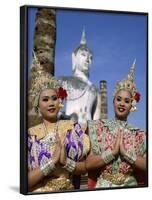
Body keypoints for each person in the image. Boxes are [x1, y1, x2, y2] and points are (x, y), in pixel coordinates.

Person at [85, 60, 147, 188]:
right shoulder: (98, 128)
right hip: (104, 186)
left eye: (127, 101)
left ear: (132, 106)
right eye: (118, 99)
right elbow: (88, 164)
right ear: (113, 101)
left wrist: (125, 153)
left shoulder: (140, 134)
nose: (122, 104)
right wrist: (112, 153)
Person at [28, 71, 90, 193]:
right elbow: (25, 181)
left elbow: (84, 168)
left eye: (54, 98)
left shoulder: (72, 128)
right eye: (45, 100)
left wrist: (65, 162)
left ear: (59, 102)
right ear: (37, 106)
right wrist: (51, 163)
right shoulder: (30, 135)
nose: (51, 103)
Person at [58, 29, 101, 130]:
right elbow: (54, 110)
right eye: (83, 55)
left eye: (90, 58)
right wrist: (64, 118)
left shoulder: (95, 90)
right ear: (74, 57)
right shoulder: (64, 81)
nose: (87, 60)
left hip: (88, 132)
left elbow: (97, 121)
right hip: (68, 129)